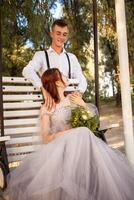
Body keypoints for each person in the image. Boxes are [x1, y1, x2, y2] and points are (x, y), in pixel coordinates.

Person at [4, 68, 134, 200]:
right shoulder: (47, 107)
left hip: (81, 146)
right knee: (83, 132)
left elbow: (93, 123)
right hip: (60, 150)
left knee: (84, 133)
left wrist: (82, 104)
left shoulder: (72, 99)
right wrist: (70, 132)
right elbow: (46, 138)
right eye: (62, 75)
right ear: (57, 82)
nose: (66, 77)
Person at [22, 19, 87, 110]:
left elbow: (81, 78)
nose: (61, 37)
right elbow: (27, 70)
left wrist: (79, 92)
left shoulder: (71, 58)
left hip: (69, 105)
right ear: (51, 34)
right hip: (50, 106)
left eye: (64, 34)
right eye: (58, 33)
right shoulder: (41, 55)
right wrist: (42, 88)